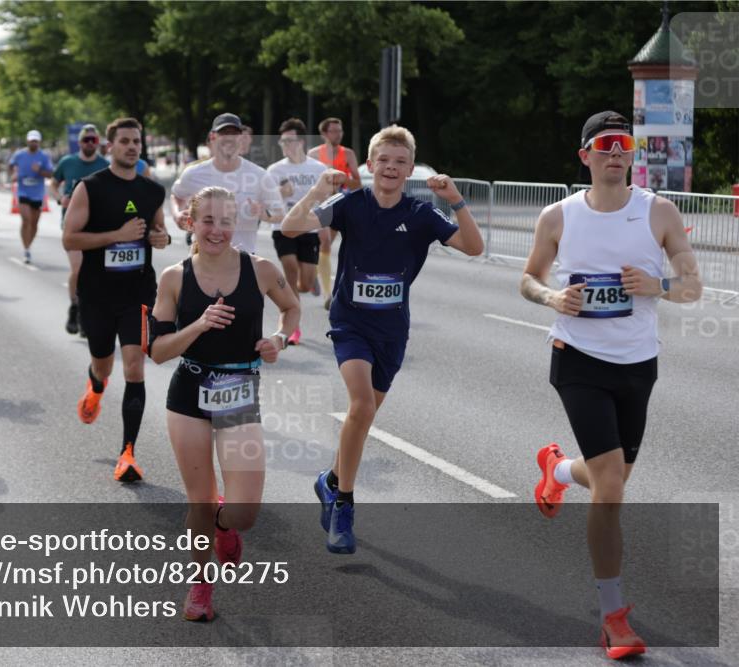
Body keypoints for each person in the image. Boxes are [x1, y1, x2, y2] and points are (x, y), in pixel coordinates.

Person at [520, 111, 702, 660]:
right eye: (605, 145)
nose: (616, 153)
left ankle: (554, 470)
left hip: (637, 364)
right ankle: (613, 618)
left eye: (625, 144)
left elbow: (694, 285)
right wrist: (551, 297)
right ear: (586, 156)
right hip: (577, 358)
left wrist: (660, 285)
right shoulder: (558, 216)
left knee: (613, 475)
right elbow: (528, 279)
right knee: (613, 488)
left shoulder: (659, 212)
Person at [282, 125, 483, 554]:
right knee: (361, 404)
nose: (391, 168)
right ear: (370, 166)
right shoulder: (351, 203)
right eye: (384, 161)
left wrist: (456, 202)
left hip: (392, 329)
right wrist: (318, 189)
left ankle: (331, 480)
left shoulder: (421, 213)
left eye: (400, 162)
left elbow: (473, 246)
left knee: (364, 417)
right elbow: (290, 225)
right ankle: (345, 505)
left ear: (411, 168)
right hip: (350, 323)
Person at [148, 186, 299, 622]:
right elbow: (157, 352)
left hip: (239, 391)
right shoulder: (175, 277)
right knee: (199, 500)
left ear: (240, 223)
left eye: (226, 220)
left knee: (244, 512)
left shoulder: (262, 269)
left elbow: (291, 310)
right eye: (208, 220)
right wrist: (197, 325)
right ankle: (200, 585)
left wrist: (278, 340)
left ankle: (224, 527)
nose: (217, 230)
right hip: (189, 392)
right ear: (191, 223)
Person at [62, 118, 171, 482]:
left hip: (137, 292)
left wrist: (161, 240)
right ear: (110, 146)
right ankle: (95, 385)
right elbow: (70, 239)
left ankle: (128, 453)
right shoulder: (89, 188)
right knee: (104, 365)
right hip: (97, 293)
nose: (131, 147)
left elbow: (160, 231)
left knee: (134, 367)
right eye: (124, 141)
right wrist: (116, 235)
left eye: (136, 141)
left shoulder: (152, 191)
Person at [171, 113, 284, 255]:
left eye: (234, 133)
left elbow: (279, 213)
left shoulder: (259, 175)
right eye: (224, 133)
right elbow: (177, 195)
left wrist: (264, 215)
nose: (229, 138)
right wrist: (177, 214)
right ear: (213, 137)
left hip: (243, 258)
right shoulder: (194, 173)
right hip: (201, 259)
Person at [267, 118, 328, 345]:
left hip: (309, 228)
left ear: (301, 142)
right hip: (283, 227)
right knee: (290, 270)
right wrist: (280, 195)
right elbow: (267, 202)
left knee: (304, 282)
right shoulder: (275, 170)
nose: (286, 145)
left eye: (290, 141)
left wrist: (326, 229)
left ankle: (310, 283)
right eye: (282, 142)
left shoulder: (318, 169)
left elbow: (327, 202)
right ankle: (293, 328)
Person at [52, 124, 109, 335]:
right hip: (73, 226)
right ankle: (75, 307)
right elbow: (53, 183)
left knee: (96, 274)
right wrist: (60, 198)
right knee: (78, 270)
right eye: (86, 140)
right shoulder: (68, 162)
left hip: (98, 227)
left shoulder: (104, 164)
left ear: (98, 142)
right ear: (80, 142)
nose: (89, 143)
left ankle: (86, 314)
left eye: (93, 140)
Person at [308, 118, 362, 310]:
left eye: (340, 131)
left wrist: (343, 178)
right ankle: (323, 287)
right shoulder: (313, 154)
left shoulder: (347, 154)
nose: (338, 134)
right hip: (319, 205)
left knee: (327, 245)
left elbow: (358, 184)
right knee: (323, 244)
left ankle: (328, 291)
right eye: (334, 131)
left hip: (339, 205)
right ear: (324, 134)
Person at [9, 130, 54, 264]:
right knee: (26, 220)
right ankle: (26, 249)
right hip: (23, 192)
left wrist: (39, 171)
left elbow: (50, 174)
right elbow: (11, 165)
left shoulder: (44, 156)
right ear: (27, 141)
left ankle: (29, 245)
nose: (33, 143)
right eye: (31, 140)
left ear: (38, 142)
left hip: (37, 193)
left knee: (34, 223)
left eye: (35, 141)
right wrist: (13, 174)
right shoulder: (20, 154)